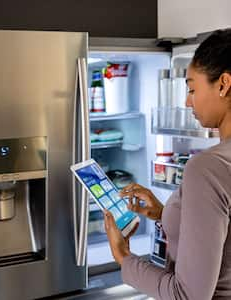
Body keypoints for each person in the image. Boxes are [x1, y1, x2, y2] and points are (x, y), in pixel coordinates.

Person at [104, 28, 231, 300]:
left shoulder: (208, 167)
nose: (187, 101)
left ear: (223, 84)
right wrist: (167, 213)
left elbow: (188, 295)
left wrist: (123, 256)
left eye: (193, 88)